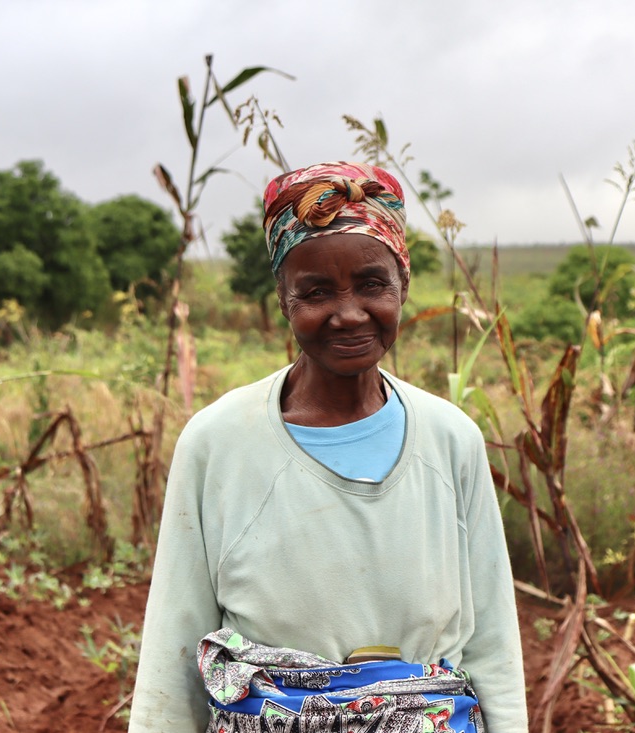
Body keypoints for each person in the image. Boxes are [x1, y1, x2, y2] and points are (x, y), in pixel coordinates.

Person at [128, 161, 528, 733]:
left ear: (403, 286)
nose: (348, 314)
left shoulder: (450, 438)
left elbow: (492, 641)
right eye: (316, 292)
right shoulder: (219, 443)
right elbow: (174, 645)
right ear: (284, 301)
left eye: (372, 284)